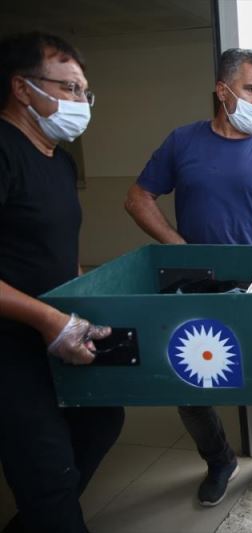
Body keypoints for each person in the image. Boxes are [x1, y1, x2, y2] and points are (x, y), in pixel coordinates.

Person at [125, 48, 252, 507]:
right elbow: (137, 199)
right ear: (222, 90)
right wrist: (181, 250)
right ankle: (218, 461)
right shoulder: (183, 142)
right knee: (190, 385)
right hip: (195, 288)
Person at [0, 32, 125, 533]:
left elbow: (56, 247)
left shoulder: (59, 159)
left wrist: (83, 296)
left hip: (57, 334)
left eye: (84, 92)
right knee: (47, 471)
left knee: (102, 419)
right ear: (22, 88)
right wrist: (49, 319)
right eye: (69, 88)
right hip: (11, 347)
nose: (80, 102)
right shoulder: (4, 150)